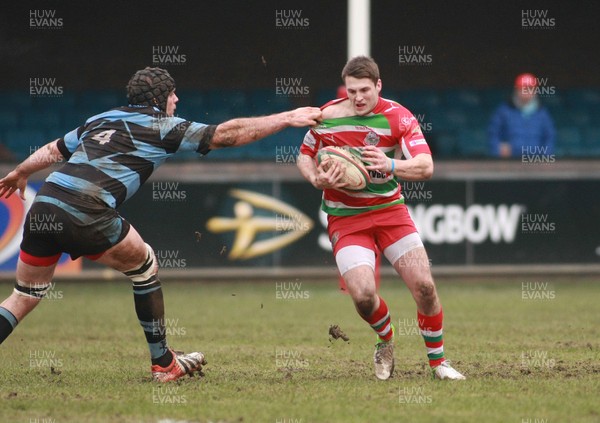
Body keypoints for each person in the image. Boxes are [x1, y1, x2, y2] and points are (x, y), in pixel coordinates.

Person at [0, 67, 321, 382]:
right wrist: (285, 118)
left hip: (45, 207)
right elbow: (225, 135)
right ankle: (164, 364)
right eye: (173, 93)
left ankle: (165, 361)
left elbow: (54, 149)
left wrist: (21, 172)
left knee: (24, 294)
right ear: (162, 97)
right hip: (88, 208)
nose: (177, 99)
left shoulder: (101, 119)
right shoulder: (161, 125)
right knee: (145, 267)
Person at [297, 56, 465, 381]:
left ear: (378, 86)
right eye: (351, 91)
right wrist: (315, 178)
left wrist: (391, 166)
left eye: (364, 90)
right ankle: (386, 339)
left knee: (426, 288)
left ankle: (438, 364)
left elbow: (426, 167)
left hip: (390, 213)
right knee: (362, 297)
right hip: (346, 219)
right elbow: (304, 155)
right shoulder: (327, 116)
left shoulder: (398, 117)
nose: (358, 98)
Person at [488, 73, 556, 158]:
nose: (526, 92)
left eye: (530, 88)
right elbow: (493, 134)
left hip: (535, 162)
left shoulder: (542, 113)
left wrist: (545, 156)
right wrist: (498, 149)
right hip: (510, 162)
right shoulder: (503, 111)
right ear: (516, 90)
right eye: (523, 88)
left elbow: (549, 137)